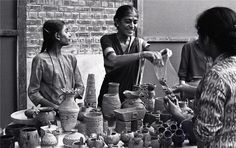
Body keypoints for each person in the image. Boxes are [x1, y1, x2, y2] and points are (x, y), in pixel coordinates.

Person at [164, 7, 236, 147]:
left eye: (199, 35)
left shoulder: (216, 75)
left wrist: (178, 114)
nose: (198, 40)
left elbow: (204, 133)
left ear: (207, 39)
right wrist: (188, 89)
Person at [97, 5, 171, 107]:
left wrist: (163, 54)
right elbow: (113, 60)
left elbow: (155, 59)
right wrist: (142, 54)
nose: (132, 26)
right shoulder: (107, 40)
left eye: (135, 22)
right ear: (117, 22)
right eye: (128, 21)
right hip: (110, 96)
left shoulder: (140, 43)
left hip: (132, 97)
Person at [28, 20, 84, 109]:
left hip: (71, 112)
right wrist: (55, 107)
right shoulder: (40, 60)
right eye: (66, 31)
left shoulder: (71, 58)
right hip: (50, 114)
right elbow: (33, 92)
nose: (70, 34)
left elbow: (80, 86)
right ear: (57, 36)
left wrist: (70, 98)